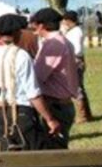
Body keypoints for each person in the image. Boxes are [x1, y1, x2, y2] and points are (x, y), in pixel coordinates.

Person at [0, 14, 61, 151]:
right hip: (22, 113)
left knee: (8, 160)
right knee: (37, 157)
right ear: (16, 33)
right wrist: (50, 119)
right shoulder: (21, 55)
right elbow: (33, 93)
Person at [29, 8, 79, 148]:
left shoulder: (53, 44)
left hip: (55, 105)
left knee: (53, 152)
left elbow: (38, 76)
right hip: (61, 103)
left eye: (34, 24)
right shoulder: (62, 41)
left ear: (41, 25)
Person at [61, 10, 93, 122]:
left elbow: (77, 49)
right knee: (79, 87)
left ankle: (82, 116)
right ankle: (86, 114)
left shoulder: (75, 32)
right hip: (76, 60)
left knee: (76, 88)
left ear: (68, 20)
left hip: (75, 60)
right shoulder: (73, 31)